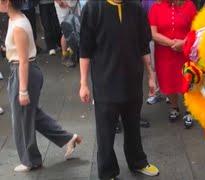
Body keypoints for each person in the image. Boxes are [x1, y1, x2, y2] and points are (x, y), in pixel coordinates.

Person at [79, 0, 159, 179]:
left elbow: (143, 46)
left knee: (133, 127)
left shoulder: (136, 8)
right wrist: (83, 83)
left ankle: (138, 162)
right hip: (105, 84)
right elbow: (84, 50)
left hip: (132, 81)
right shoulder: (93, 8)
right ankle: (108, 172)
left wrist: (151, 75)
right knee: (105, 133)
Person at [0, 0, 82, 172]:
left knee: (22, 119)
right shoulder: (15, 20)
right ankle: (68, 138)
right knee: (32, 115)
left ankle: (31, 160)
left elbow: (23, 61)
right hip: (24, 71)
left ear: (6, 2)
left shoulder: (18, 25)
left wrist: (22, 90)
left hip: (24, 72)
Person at [148, 0, 197, 128]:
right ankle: (174, 107)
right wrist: (172, 43)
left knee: (187, 80)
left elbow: (196, 29)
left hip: (185, 52)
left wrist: (184, 43)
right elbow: (153, 33)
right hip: (164, 54)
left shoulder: (189, 5)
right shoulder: (156, 7)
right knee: (169, 81)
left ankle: (189, 110)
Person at [54, 0, 80, 67]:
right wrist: (59, 2)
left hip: (74, 4)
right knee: (66, 31)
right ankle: (65, 56)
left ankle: (73, 54)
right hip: (63, 5)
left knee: (75, 29)